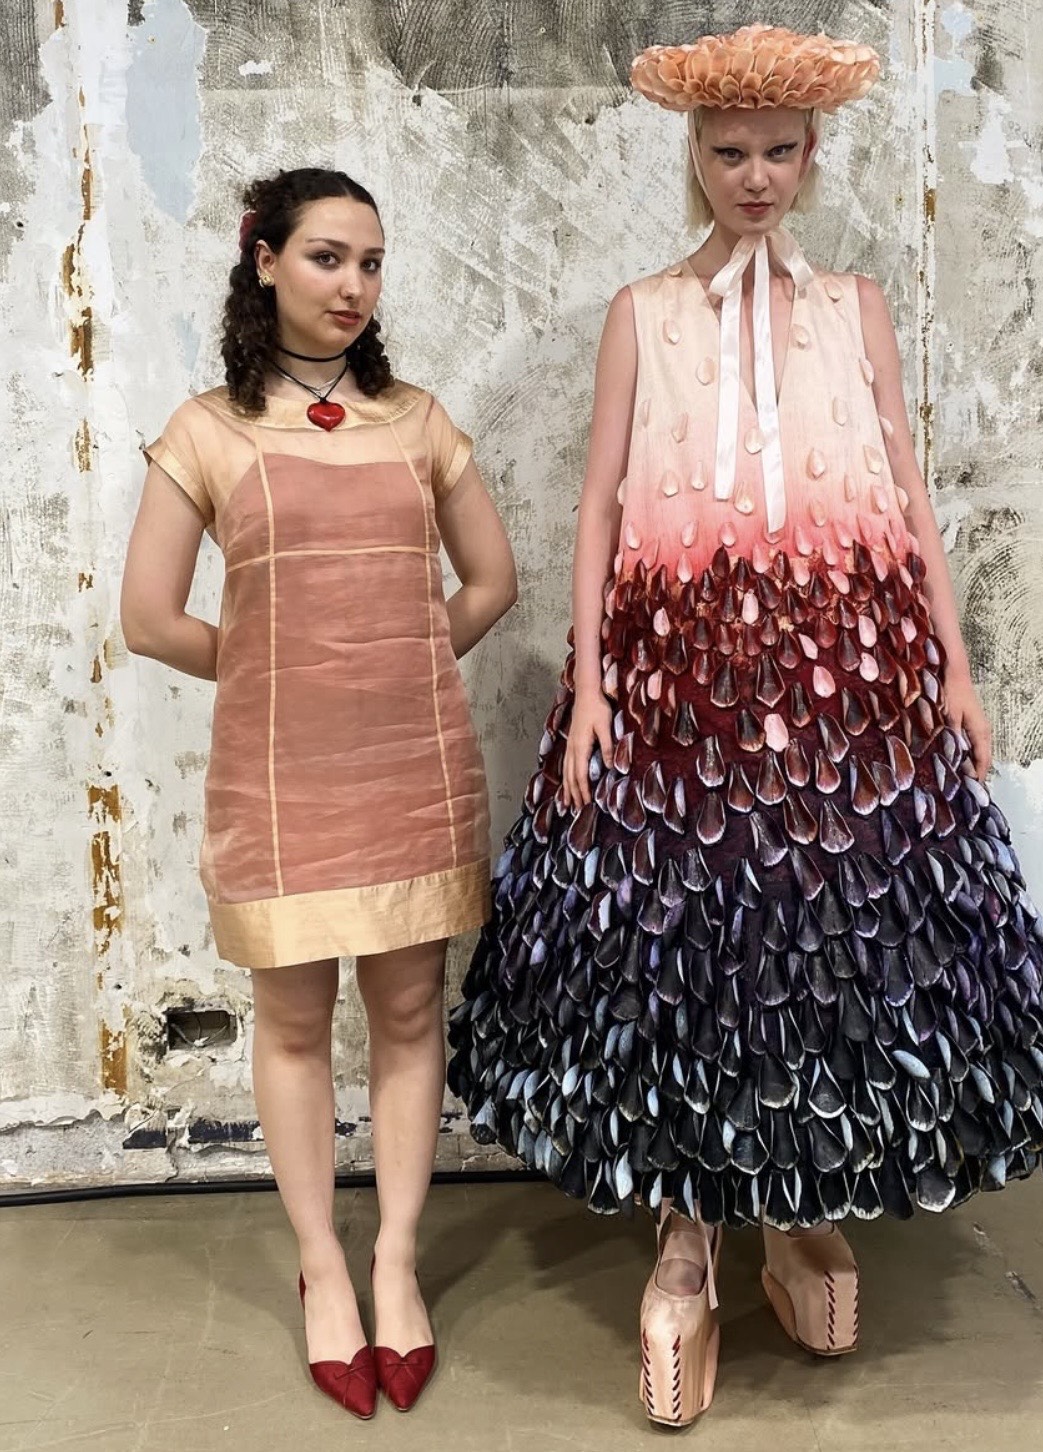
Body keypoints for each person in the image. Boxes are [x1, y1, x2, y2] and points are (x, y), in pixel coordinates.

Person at [447, 26, 1043, 1427]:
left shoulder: (854, 306)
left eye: (779, 152)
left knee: (824, 937)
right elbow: (601, 499)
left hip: (846, 671)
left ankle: (800, 1204)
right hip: (679, 669)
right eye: (729, 151)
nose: (754, 176)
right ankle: (686, 1232)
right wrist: (594, 681)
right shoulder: (644, 312)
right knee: (687, 937)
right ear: (693, 152)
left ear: (813, 154)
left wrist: (956, 666)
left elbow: (907, 486)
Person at [121, 167, 516, 1420]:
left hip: (410, 763)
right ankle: (321, 1268)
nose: (353, 286)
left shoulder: (417, 421)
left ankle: (395, 1260)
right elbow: (148, 617)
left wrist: (397, 660)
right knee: (292, 1023)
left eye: (371, 263)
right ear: (266, 262)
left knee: (408, 1011)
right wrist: (277, 669)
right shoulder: (206, 430)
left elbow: (491, 582)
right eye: (327, 258)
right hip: (278, 775)